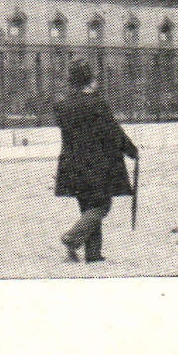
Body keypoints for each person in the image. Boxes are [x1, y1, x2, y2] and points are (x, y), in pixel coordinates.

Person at [54, 58, 138, 263]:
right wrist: (131, 150)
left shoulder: (63, 105)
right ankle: (72, 237)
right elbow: (113, 132)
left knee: (87, 206)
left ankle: (93, 254)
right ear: (89, 80)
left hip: (72, 164)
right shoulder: (96, 104)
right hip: (97, 164)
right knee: (101, 205)